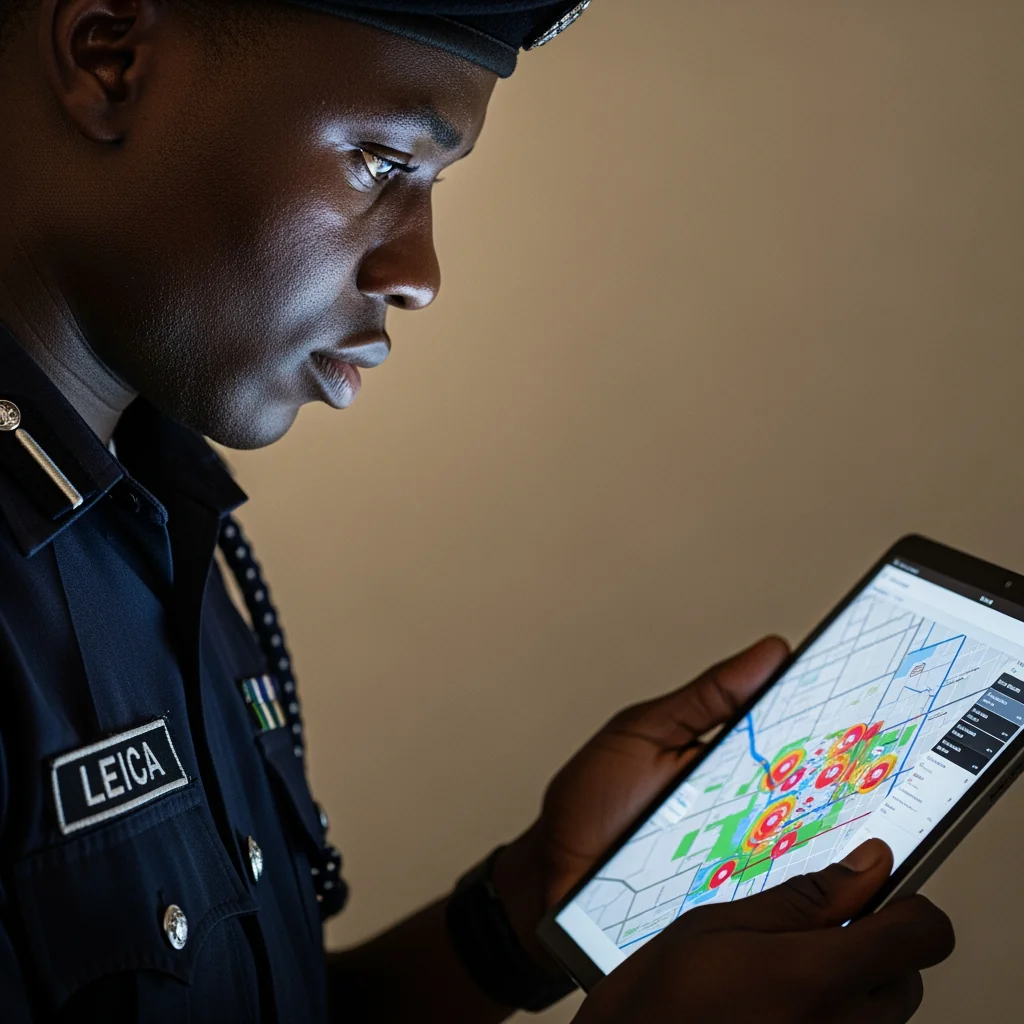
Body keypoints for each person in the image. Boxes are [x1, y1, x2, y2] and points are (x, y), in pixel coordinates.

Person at [0, 1, 955, 1021]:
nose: (419, 275)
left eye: (431, 184)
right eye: (378, 160)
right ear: (109, 61)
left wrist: (518, 914)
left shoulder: (147, 504)